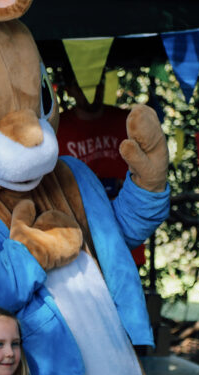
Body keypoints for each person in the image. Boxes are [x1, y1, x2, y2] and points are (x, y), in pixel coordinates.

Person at [56, 70, 146, 266]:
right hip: (79, 235)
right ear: (70, 90)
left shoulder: (127, 122)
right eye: (82, 87)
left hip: (124, 229)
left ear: (104, 85)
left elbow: (147, 174)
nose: (91, 92)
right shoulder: (57, 127)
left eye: (96, 84)